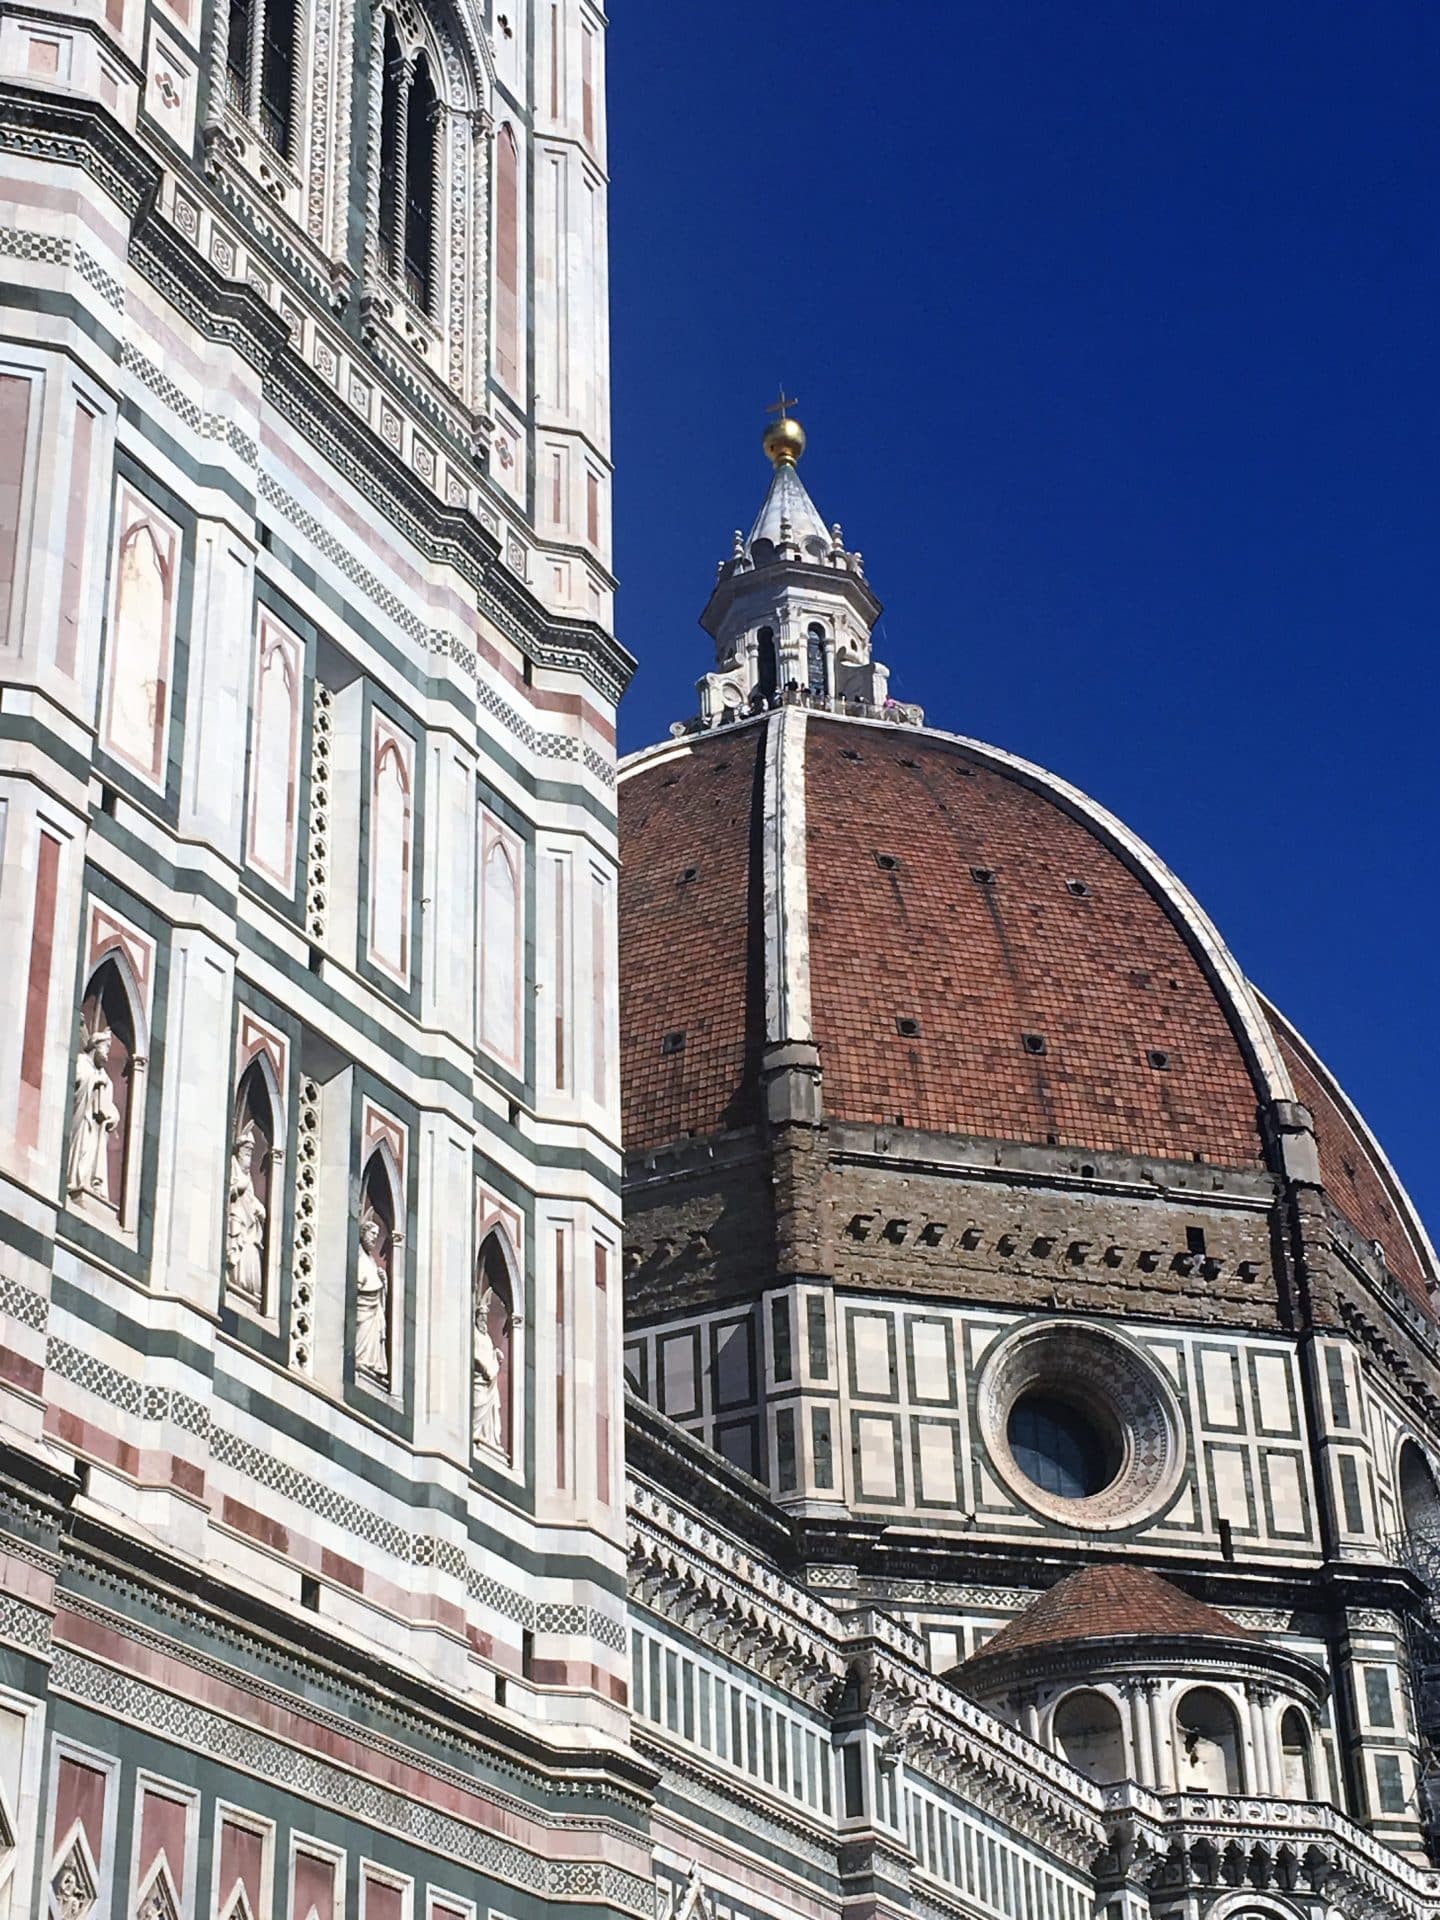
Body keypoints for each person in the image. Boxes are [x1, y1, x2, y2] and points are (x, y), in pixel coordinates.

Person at [67, 1018, 120, 1205]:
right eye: (105, 1048)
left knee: (92, 1153)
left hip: (96, 1130)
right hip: (82, 1120)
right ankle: (76, 1182)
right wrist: (94, 1082)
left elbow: (109, 1104)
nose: (107, 1054)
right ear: (95, 1047)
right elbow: (77, 1081)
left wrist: (113, 1116)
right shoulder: (82, 1062)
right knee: (81, 1149)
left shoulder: (104, 1075)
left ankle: (90, 1184)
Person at [225, 1119, 266, 1303]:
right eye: (246, 1152)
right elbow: (231, 1188)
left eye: (251, 1153)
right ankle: (234, 1280)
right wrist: (238, 1187)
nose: (249, 1158)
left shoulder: (248, 1174)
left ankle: (247, 1289)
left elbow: (250, 1197)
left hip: (250, 1224)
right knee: (238, 1247)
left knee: (252, 1250)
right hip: (237, 1218)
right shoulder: (234, 1167)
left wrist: (258, 1207)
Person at [355, 1203, 390, 1382]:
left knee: (374, 1332)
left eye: (377, 1236)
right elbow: (358, 1283)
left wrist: (383, 1281)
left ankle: (371, 1363)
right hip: (364, 1309)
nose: (375, 1239)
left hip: (374, 1309)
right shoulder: (359, 1256)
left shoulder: (371, 1261)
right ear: (363, 1233)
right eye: (372, 1234)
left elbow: (375, 1287)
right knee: (363, 1332)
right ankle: (360, 1358)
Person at [472, 1285, 505, 1452]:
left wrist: (496, 1354)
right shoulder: (475, 1335)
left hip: (489, 1381)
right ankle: (476, 1430)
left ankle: (487, 1435)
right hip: (480, 1378)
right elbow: (474, 1355)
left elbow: (488, 1353)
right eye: (481, 1317)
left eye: (485, 1318)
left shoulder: (487, 1338)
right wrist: (485, 1369)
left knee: (488, 1409)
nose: (484, 1321)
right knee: (477, 1402)